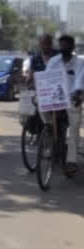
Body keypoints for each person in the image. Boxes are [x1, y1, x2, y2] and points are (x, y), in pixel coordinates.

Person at [44, 35, 84, 176]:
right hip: (55, 98)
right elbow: (46, 78)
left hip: (72, 99)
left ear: (72, 47)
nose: (64, 47)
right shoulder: (54, 61)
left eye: (67, 45)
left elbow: (80, 80)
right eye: (61, 45)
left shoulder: (79, 63)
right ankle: (49, 134)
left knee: (74, 126)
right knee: (41, 110)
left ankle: (71, 161)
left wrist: (77, 93)